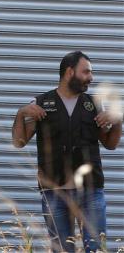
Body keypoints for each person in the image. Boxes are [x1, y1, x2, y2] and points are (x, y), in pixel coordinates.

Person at [12, 51, 121, 252]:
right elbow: (19, 142)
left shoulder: (94, 104)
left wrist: (117, 121)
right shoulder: (41, 103)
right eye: (86, 72)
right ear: (70, 72)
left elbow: (110, 144)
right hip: (55, 193)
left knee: (96, 248)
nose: (91, 77)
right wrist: (21, 114)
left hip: (91, 191)